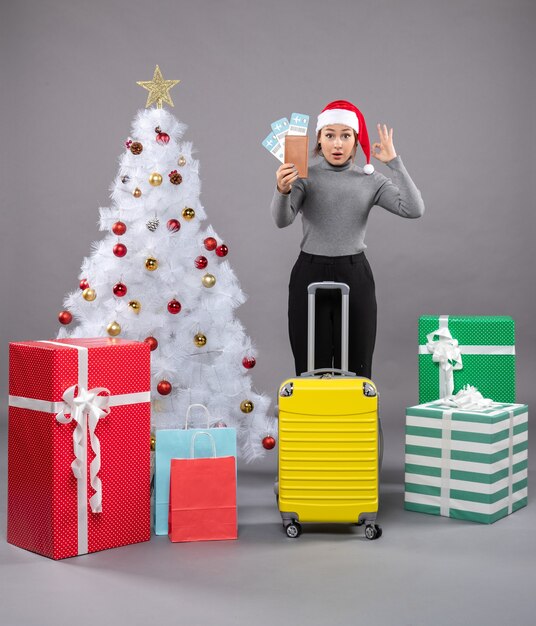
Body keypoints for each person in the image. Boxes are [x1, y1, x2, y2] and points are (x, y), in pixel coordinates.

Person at [271, 100, 425, 378]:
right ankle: (313, 420)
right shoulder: (304, 175)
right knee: (310, 364)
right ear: (319, 139)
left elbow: (413, 209)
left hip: (354, 274)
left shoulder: (370, 179)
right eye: (329, 135)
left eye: (346, 135)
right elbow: (282, 220)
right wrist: (282, 190)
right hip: (309, 271)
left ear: (356, 141)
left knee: (358, 362)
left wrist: (395, 164)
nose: (337, 144)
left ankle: (353, 419)